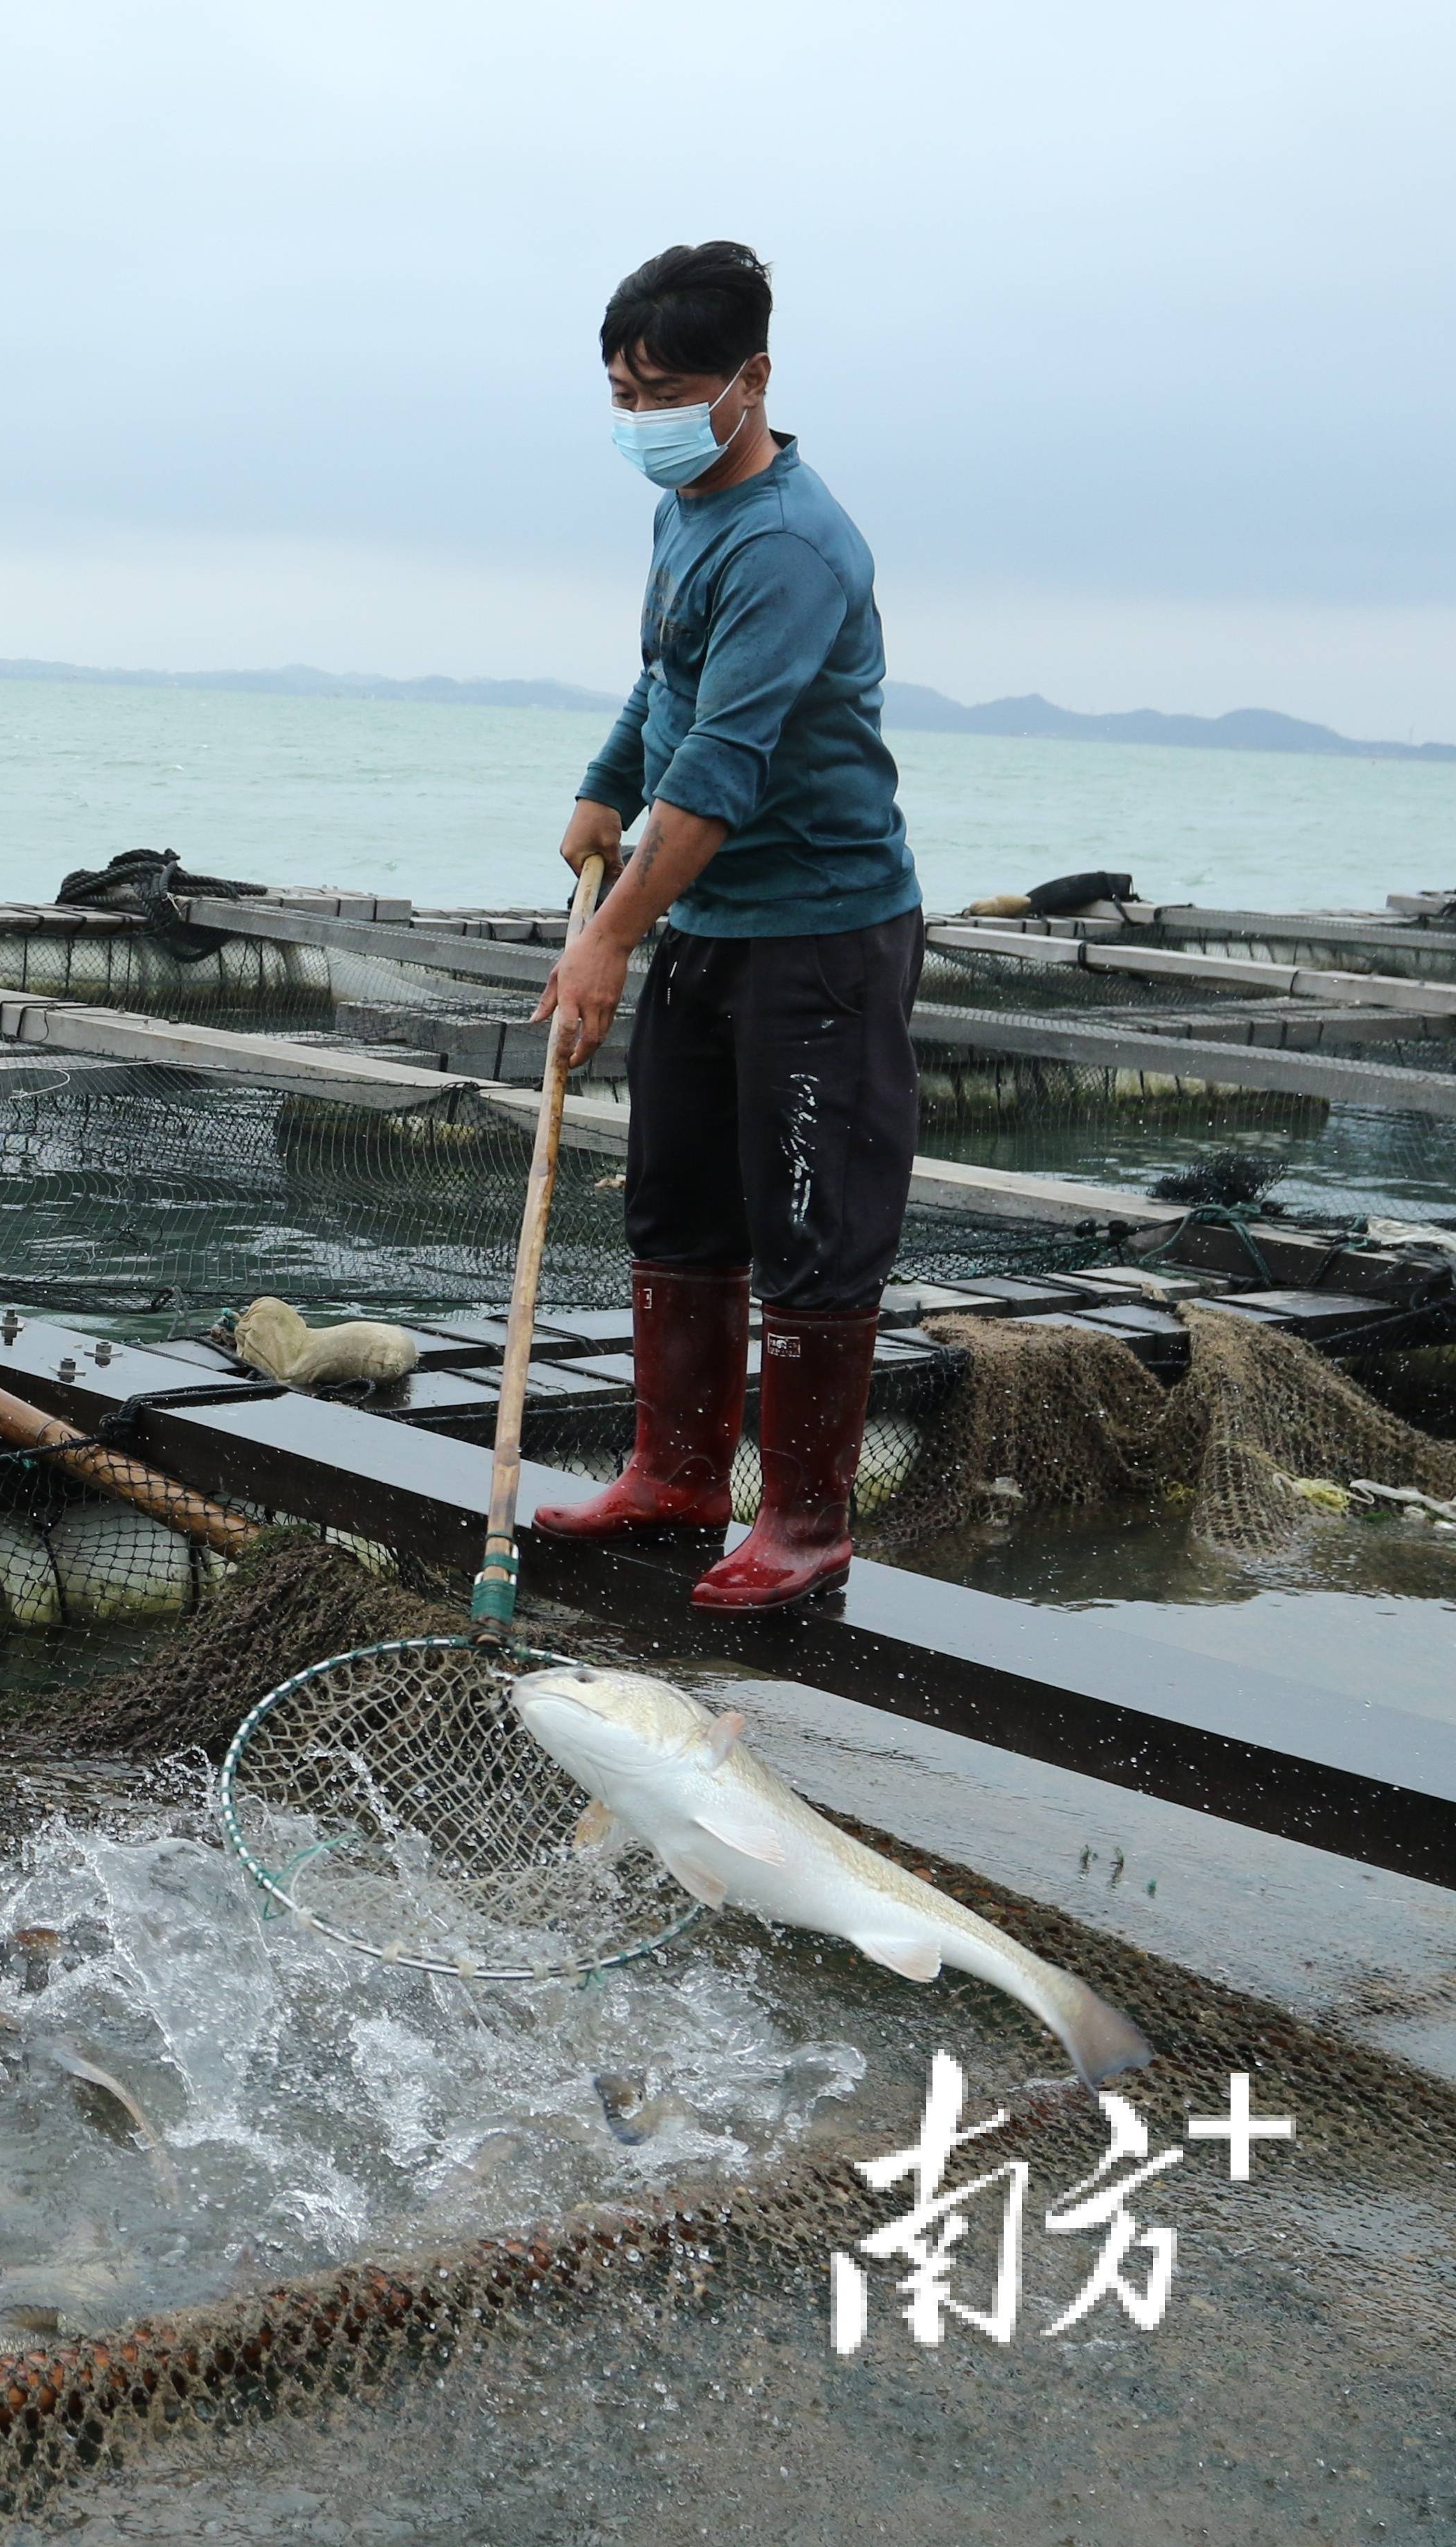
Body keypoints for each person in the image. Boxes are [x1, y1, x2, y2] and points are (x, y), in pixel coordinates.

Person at [527, 242, 922, 1611]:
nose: (646, 417)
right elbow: (668, 689)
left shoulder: (794, 544)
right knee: (679, 1203)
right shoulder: (686, 507)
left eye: (672, 390)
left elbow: (724, 772)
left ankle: (805, 1524)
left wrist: (611, 935)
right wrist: (600, 786)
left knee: (813, 1218)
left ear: (752, 379)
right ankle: (680, 1476)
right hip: (713, 914)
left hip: (821, 926)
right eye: (626, 392)